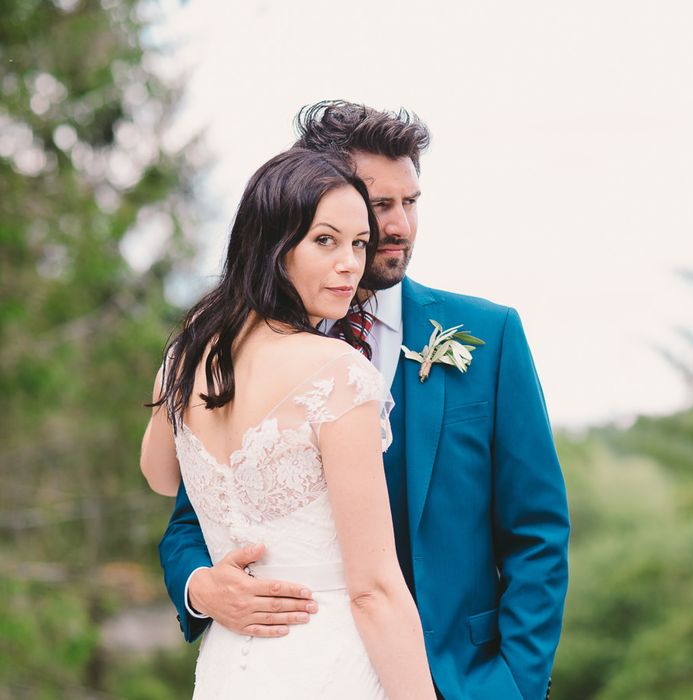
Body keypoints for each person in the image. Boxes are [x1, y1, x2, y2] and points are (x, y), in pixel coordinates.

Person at [159, 102, 570, 700]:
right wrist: (201, 586)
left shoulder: (491, 335)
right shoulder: (243, 351)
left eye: (412, 202)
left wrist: (513, 686)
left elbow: (537, 532)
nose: (400, 225)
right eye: (380, 206)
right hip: (298, 668)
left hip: (462, 679)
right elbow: (192, 513)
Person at [140, 147, 436, 698]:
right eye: (325, 241)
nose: (349, 263)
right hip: (330, 662)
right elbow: (374, 591)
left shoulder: (186, 355)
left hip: (231, 666)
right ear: (273, 246)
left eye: (358, 243)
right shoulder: (337, 371)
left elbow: (160, 475)